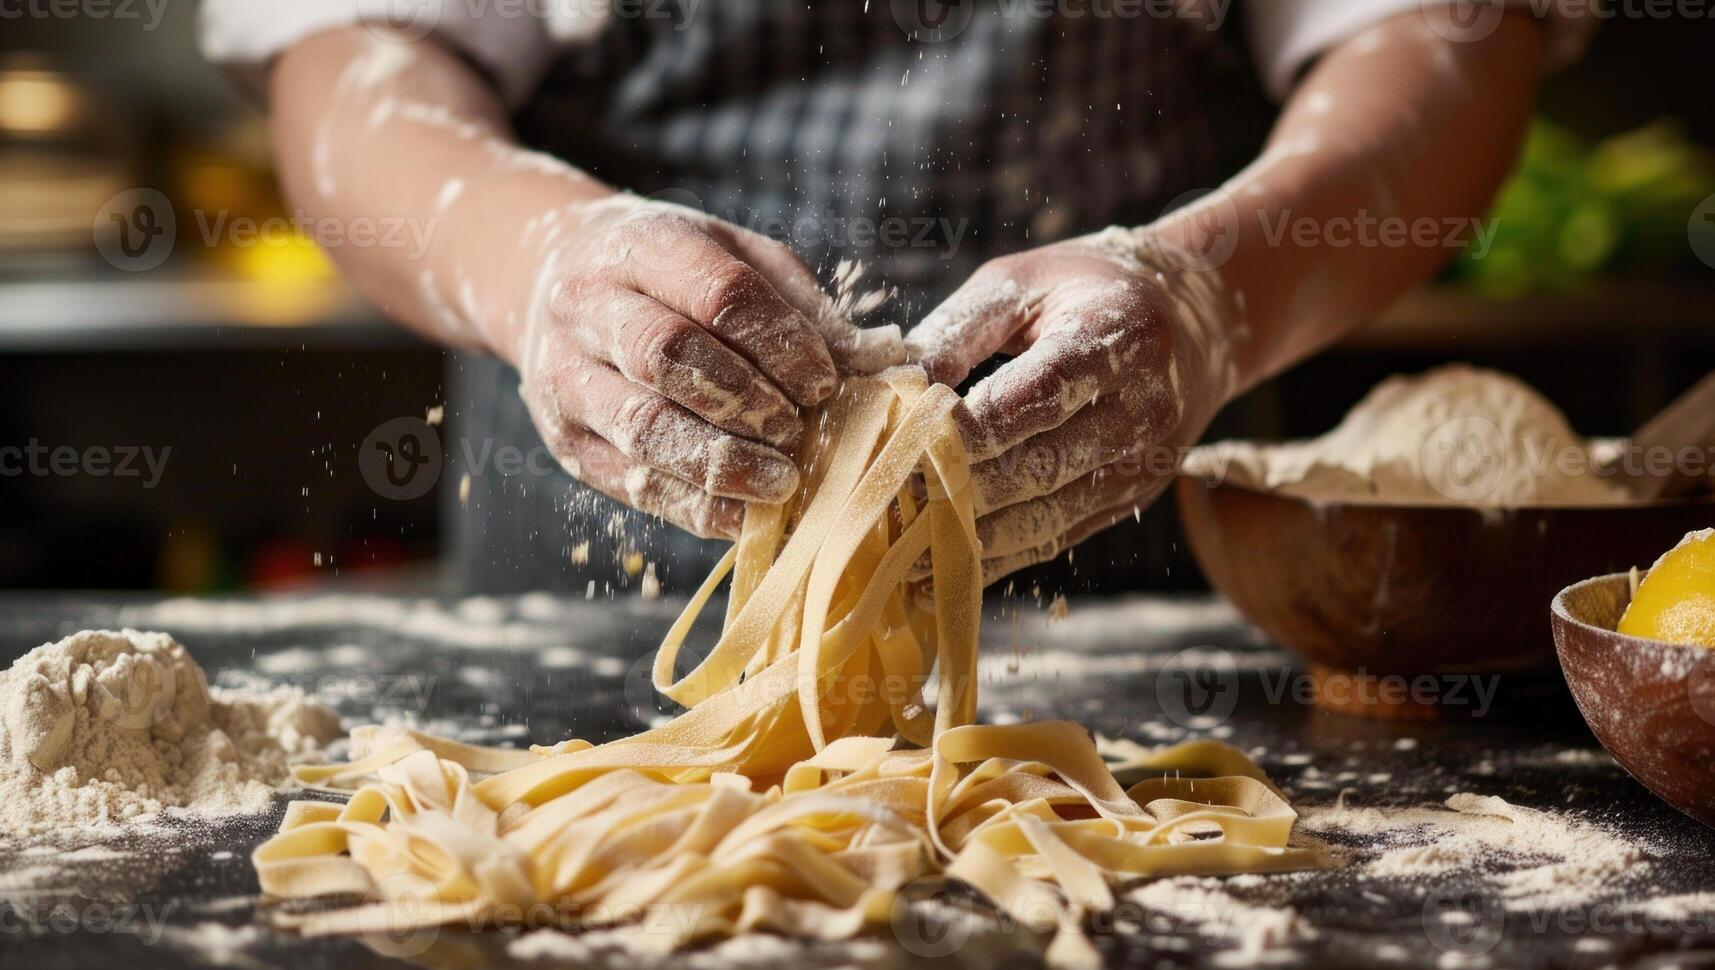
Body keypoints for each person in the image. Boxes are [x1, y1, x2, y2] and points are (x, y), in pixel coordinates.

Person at [201, 0, 1590, 592]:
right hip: (586, 594)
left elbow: (1441, 42)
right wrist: (531, 260)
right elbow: (355, 63)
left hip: (1136, 595)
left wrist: (1211, 289)